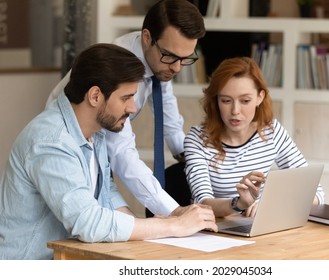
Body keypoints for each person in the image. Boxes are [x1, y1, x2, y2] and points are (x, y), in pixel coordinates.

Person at [0, 43, 217, 260]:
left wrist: (152, 229)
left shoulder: (96, 131)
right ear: (95, 96)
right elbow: (87, 221)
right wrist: (172, 226)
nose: (132, 108)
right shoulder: (51, 142)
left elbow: (105, 193)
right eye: (126, 98)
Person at [46, 0, 205, 216]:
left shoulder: (159, 61)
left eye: (185, 58)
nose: (177, 67)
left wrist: (187, 155)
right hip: (69, 146)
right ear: (147, 38)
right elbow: (122, 154)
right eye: (171, 56)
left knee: (121, 220)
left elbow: (166, 107)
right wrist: (174, 212)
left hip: (98, 152)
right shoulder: (120, 69)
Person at [184, 57, 325, 218]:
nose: (235, 110)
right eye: (226, 100)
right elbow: (203, 203)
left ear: (260, 97)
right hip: (213, 231)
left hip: (259, 230)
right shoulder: (197, 140)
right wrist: (239, 204)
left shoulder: (272, 132)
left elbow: (316, 194)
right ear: (216, 100)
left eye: (245, 101)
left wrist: (271, 206)